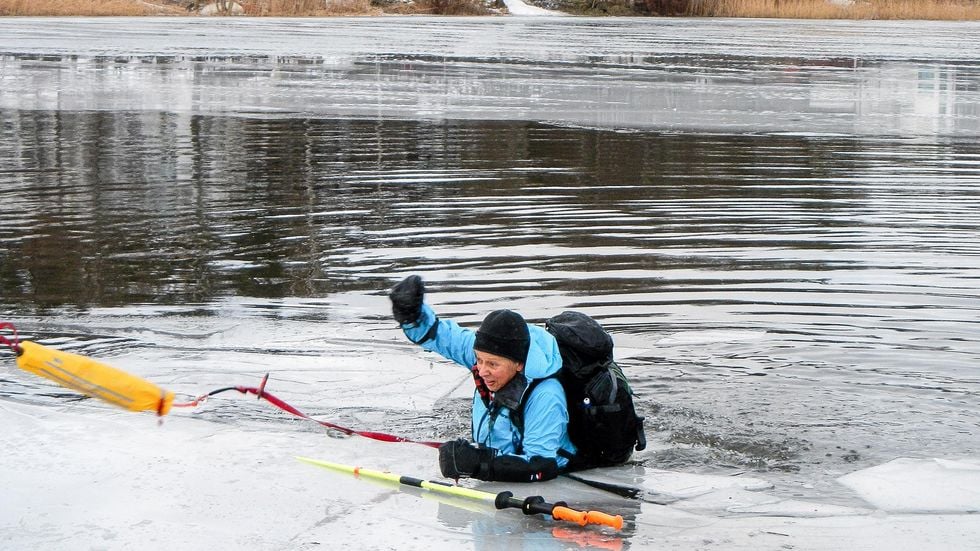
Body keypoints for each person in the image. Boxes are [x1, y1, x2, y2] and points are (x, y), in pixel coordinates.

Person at [389, 275, 576, 483]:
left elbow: (541, 465)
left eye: (493, 365)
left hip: (544, 473)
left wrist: (478, 465)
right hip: (499, 454)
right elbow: (442, 336)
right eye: (479, 360)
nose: (482, 370)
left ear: (519, 364)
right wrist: (412, 316)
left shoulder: (546, 395)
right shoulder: (488, 354)